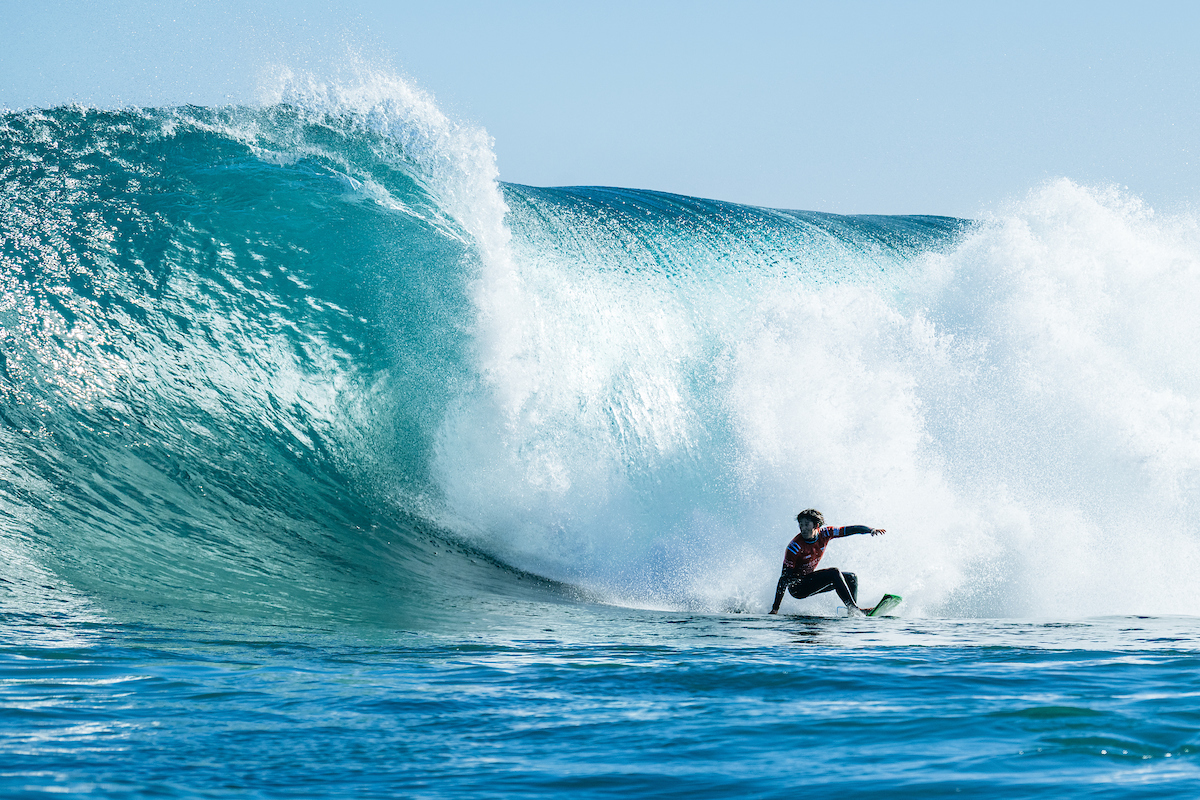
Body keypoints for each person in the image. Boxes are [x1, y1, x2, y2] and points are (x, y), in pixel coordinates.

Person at [768, 508, 886, 615]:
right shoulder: (794, 547)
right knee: (833, 572)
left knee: (851, 577)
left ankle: (852, 613)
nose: (803, 529)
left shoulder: (825, 533)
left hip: (810, 579)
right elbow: (783, 579)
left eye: (806, 525)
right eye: (800, 525)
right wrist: (775, 608)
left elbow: (849, 529)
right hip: (798, 588)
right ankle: (854, 609)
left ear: (816, 525)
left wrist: (870, 530)